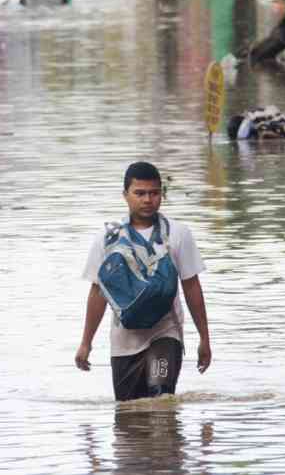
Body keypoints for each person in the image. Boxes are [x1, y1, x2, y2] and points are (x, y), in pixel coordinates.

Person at [75, 162, 212, 401]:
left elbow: (192, 287)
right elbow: (98, 292)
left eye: (154, 193)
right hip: (124, 342)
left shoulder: (178, 234)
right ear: (125, 195)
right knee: (129, 419)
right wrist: (86, 343)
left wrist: (204, 339)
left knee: (161, 400)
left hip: (166, 334)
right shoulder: (107, 240)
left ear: (161, 194)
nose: (148, 200)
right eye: (139, 193)